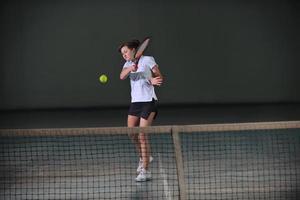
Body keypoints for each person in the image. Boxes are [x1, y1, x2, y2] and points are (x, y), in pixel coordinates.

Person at [118, 39, 163, 182]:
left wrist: (153, 80)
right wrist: (130, 68)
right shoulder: (127, 64)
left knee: (142, 135)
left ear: (134, 50)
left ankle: (146, 170)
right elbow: (121, 76)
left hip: (148, 101)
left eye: (125, 52)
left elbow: (159, 77)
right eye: (122, 54)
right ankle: (144, 157)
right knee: (132, 133)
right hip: (135, 103)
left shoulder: (148, 60)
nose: (124, 55)